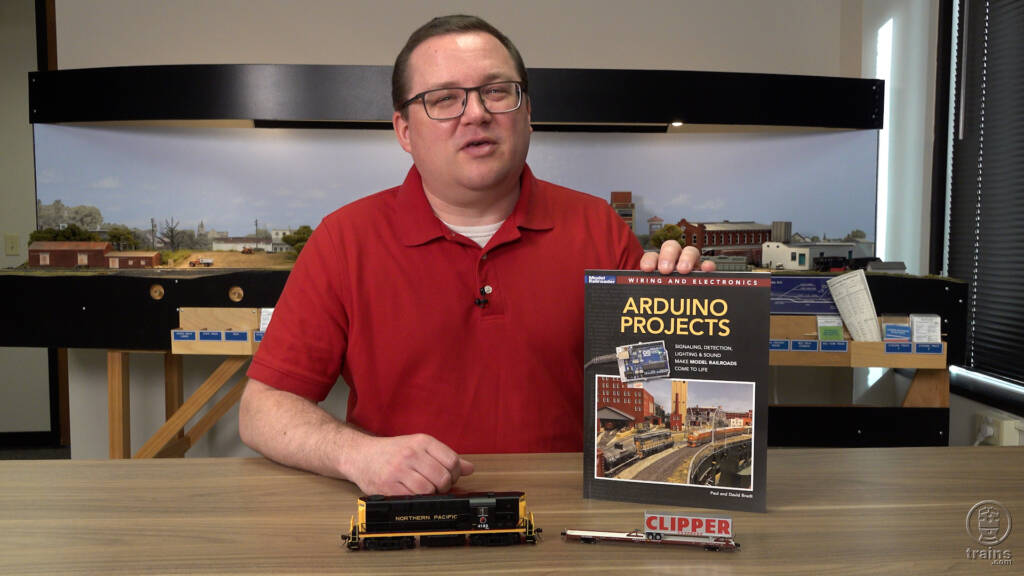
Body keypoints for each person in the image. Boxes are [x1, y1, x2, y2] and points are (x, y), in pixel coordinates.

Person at [239, 15, 712, 497]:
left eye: (497, 91)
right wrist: (357, 454)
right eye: (444, 98)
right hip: (409, 518)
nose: (476, 114)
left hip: (571, 516)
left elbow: (656, 381)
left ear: (527, 112)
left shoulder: (600, 229)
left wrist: (697, 316)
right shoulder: (344, 240)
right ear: (404, 130)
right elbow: (262, 409)